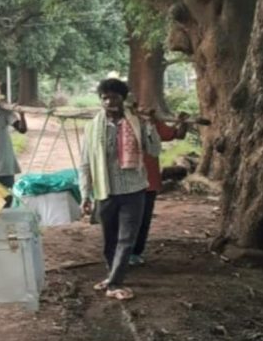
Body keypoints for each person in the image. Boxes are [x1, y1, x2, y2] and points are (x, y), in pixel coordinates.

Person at [79, 78, 158, 301]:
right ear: (100, 100)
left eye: (114, 97)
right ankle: (112, 275)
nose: (109, 101)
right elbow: (85, 163)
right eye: (105, 97)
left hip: (134, 190)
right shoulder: (93, 128)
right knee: (109, 239)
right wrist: (85, 194)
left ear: (123, 98)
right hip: (106, 191)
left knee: (126, 239)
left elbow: (154, 150)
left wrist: (151, 125)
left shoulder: (137, 123)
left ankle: (115, 283)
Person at [129, 110, 189, 266]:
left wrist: (183, 122)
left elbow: (176, 134)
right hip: (123, 182)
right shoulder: (117, 123)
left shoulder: (152, 123)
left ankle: (135, 253)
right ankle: (120, 252)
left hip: (148, 181)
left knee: (143, 219)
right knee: (124, 219)